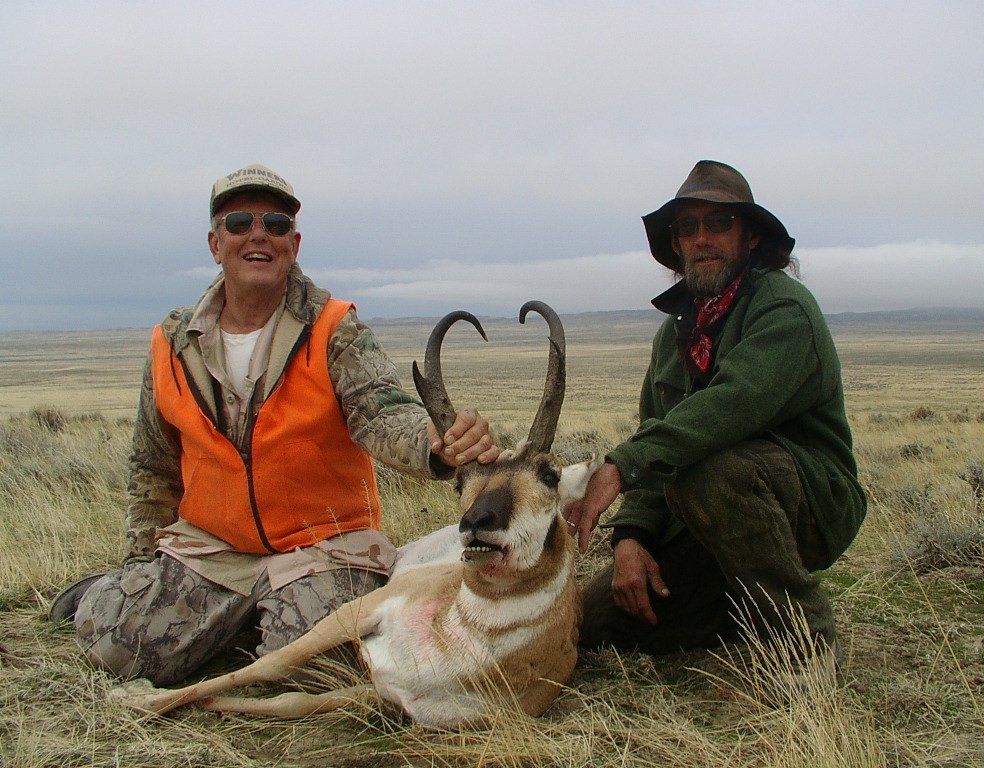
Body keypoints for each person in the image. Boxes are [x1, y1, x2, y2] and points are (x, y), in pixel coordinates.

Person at [52, 163, 498, 686]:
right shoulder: (171, 343)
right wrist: (140, 563)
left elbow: (382, 412)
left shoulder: (334, 328)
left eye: (276, 223)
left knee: (315, 670)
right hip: (215, 550)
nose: (258, 233)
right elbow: (153, 464)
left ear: (295, 242)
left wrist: (436, 444)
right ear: (216, 243)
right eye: (240, 221)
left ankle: (249, 624)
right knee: (126, 656)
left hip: (324, 549)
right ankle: (115, 594)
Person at [565, 160, 866, 659]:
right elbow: (660, 432)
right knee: (593, 624)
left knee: (712, 470)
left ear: (749, 237)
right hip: (703, 519)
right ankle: (739, 607)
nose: (702, 237)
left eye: (719, 222)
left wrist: (620, 468)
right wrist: (632, 537)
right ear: (677, 244)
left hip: (807, 502)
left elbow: (728, 407)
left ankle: (806, 642)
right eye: (688, 227)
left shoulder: (784, 308)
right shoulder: (675, 335)